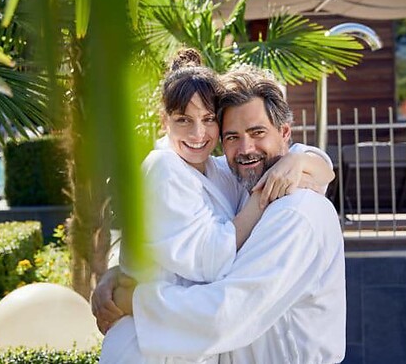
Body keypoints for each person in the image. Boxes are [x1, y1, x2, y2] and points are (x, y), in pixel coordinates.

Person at [94, 52, 335, 364]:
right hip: (148, 349)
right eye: (183, 120)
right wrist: (119, 279)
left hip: (182, 343)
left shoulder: (223, 174)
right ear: (164, 121)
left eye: (208, 120)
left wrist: (301, 160)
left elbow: (318, 170)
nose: (198, 134)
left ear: (285, 133)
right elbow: (209, 263)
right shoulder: (167, 169)